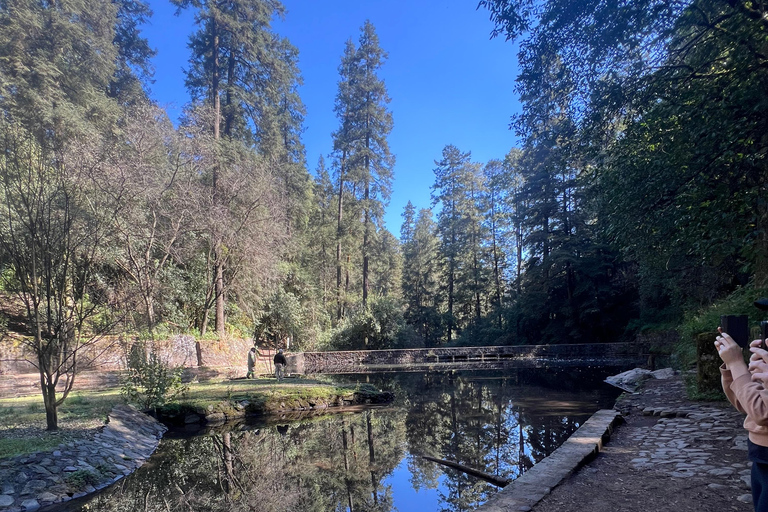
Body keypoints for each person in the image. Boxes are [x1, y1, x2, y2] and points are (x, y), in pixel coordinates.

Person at [716, 328, 768, 511]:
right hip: (760, 455)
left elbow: (762, 412)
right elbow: (746, 405)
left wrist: (737, 363)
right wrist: (736, 369)